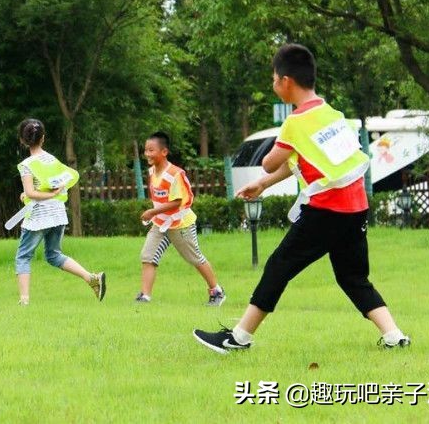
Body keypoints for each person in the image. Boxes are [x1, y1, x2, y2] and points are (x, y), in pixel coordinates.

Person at [193, 44, 410, 353]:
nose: (272, 84)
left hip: (326, 211)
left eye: (273, 79)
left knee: (278, 266)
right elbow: (302, 160)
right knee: (353, 277)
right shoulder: (330, 113)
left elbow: (271, 160)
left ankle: (239, 338)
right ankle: (394, 335)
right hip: (356, 209)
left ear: (286, 81)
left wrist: (267, 167)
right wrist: (264, 184)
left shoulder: (295, 123)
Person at [14, 118, 105, 305]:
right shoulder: (52, 160)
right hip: (57, 215)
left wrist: (28, 195)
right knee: (54, 254)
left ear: (23, 140)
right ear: (43, 138)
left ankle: (24, 301)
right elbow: (54, 185)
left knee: (23, 256)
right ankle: (92, 278)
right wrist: (38, 194)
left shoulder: (27, 165)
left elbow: (32, 192)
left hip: (39, 217)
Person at [135, 132, 225, 305]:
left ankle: (217, 291)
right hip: (160, 224)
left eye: (151, 150)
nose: (147, 154)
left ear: (164, 152)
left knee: (194, 258)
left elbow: (177, 202)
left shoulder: (176, 174)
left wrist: (152, 212)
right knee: (148, 256)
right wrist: (155, 214)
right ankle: (144, 297)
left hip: (181, 224)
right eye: (145, 150)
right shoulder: (152, 171)